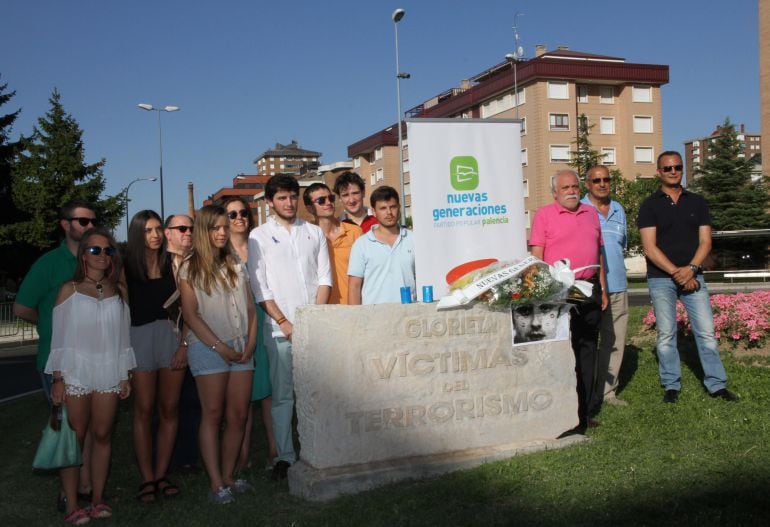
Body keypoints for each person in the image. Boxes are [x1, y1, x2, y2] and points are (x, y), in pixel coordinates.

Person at [46, 228, 136, 524]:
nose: (102, 255)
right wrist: (58, 378)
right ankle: (72, 503)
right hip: (75, 372)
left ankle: (97, 499)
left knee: (102, 435)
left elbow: (124, 339)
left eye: (107, 250)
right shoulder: (68, 290)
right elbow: (58, 339)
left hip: (109, 370)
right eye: (95, 250)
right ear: (83, 254)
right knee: (75, 437)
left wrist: (124, 375)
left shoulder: (119, 292)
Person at [14, 200, 97, 512]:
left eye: (93, 222)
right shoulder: (49, 264)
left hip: (93, 359)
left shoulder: (97, 260)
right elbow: (22, 308)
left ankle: (86, 484)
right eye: (83, 222)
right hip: (58, 362)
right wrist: (50, 326)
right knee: (69, 429)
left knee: (87, 426)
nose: (90, 227)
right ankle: (68, 493)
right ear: (66, 225)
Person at [248, 175, 332, 480]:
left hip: (313, 328)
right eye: (282, 198)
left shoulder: (313, 232)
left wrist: (313, 319)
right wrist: (284, 322)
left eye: (293, 196)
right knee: (283, 396)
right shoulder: (258, 236)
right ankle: (285, 455)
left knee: (318, 392)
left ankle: (320, 448)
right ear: (270, 202)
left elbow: (325, 278)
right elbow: (260, 287)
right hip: (279, 330)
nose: (289, 203)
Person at [637, 151, 738, 404]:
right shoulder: (649, 205)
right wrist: (677, 273)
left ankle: (716, 385)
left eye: (677, 167)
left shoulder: (698, 202)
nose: (673, 171)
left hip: (694, 276)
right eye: (668, 168)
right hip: (661, 279)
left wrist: (691, 269)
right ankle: (671, 385)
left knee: (706, 333)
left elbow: (706, 241)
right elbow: (649, 248)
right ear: (659, 172)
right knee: (667, 334)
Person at [179, 205, 257, 504]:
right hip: (209, 349)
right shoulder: (190, 267)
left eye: (225, 227)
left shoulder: (237, 263)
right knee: (212, 415)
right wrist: (219, 347)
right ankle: (215, 484)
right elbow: (191, 315)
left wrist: (250, 343)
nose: (223, 232)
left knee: (238, 415)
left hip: (241, 349)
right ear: (204, 231)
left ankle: (228, 476)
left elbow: (250, 310)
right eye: (216, 228)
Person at [529, 170, 609, 433]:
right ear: (555, 192)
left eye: (575, 186)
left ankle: (583, 415)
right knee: (560, 354)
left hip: (589, 291)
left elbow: (598, 255)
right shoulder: (544, 216)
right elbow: (537, 258)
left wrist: (604, 290)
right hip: (557, 293)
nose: (571, 191)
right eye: (565, 187)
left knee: (587, 351)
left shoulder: (591, 214)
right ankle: (558, 413)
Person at [124, 210, 186, 501]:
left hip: (171, 339)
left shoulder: (174, 264)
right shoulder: (124, 268)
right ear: (138, 233)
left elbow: (188, 310)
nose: (155, 235)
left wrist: (184, 345)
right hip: (138, 339)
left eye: (158, 229)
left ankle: (161, 474)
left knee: (170, 409)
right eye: (148, 230)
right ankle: (146, 478)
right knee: (144, 409)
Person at [222, 197, 278, 472]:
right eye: (232, 214)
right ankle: (242, 455)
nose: (239, 218)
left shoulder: (260, 244)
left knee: (267, 390)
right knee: (241, 396)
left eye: (243, 212)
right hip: (235, 324)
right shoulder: (221, 251)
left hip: (265, 317)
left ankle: (274, 449)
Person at [581, 165, 630, 409]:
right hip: (589, 287)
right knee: (586, 341)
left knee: (615, 340)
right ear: (587, 184)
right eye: (596, 180)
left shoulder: (619, 208)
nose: (602, 183)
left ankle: (608, 392)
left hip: (618, 284)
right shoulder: (578, 210)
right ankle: (584, 391)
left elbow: (621, 245)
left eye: (606, 179)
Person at [163, 213, 201, 473]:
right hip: (161, 339)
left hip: (194, 338)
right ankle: (161, 457)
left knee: (191, 401)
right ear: (168, 233)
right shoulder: (154, 263)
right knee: (164, 404)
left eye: (191, 228)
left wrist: (186, 344)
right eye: (181, 228)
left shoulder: (200, 263)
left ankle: (187, 457)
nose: (188, 232)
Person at [348, 186, 416, 305]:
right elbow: (354, 286)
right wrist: (356, 322)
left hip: (409, 315)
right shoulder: (362, 244)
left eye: (393, 207)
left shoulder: (414, 239)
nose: (389, 212)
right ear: (374, 211)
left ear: (399, 208)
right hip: (374, 317)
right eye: (383, 208)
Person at [303, 182, 363, 304]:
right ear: (309, 208)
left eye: (331, 198)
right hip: (321, 309)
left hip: (354, 307)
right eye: (321, 200)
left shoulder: (355, 232)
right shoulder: (306, 238)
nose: (328, 203)